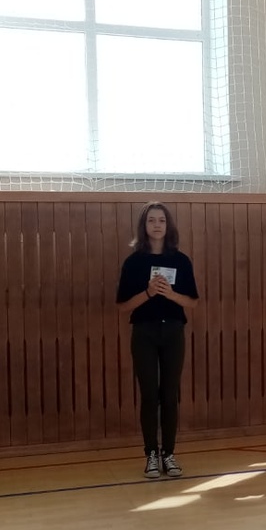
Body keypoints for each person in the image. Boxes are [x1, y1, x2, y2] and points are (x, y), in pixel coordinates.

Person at [116, 203, 199, 478]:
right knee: (150, 395)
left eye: (161, 220)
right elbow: (123, 306)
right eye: (151, 220)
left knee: (170, 394)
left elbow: (193, 302)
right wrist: (149, 293)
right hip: (144, 333)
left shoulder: (181, 260)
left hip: (173, 331)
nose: (157, 225)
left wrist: (170, 294)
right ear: (144, 226)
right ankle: (151, 453)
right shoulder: (133, 262)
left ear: (168, 225)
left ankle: (169, 453)